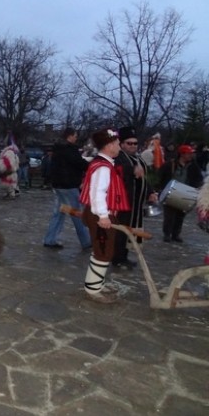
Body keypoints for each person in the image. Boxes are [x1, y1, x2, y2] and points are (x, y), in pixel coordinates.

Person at [78, 128, 130, 304]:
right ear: (108, 146)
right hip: (101, 216)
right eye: (116, 144)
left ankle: (95, 284)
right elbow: (98, 193)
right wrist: (103, 216)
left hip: (101, 214)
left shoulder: (105, 164)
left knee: (102, 251)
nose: (119, 147)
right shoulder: (103, 167)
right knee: (103, 252)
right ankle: (92, 290)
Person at [112, 127, 158, 269]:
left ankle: (123, 256)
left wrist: (150, 191)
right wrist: (131, 170)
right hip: (121, 201)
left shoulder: (136, 159)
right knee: (121, 231)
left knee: (129, 230)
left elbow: (142, 178)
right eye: (129, 143)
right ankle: (117, 259)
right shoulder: (116, 156)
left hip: (135, 202)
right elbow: (115, 170)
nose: (132, 146)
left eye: (135, 143)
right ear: (121, 144)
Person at [43, 127, 91, 249]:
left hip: (58, 185)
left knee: (59, 212)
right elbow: (79, 163)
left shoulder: (58, 149)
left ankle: (50, 239)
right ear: (69, 136)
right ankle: (86, 241)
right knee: (76, 213)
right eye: (75, 135)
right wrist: (91, 165)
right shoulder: (70, 150)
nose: (76, 138)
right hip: (68, 185)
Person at [158, 144, 204, 242]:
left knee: (180, 216)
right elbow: (161, 176)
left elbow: (199, 179)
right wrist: (161, 189)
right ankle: (167, 234)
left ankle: (176, 234)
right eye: (189, 154)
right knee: (169, 216)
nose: (191, 156)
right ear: (182, 154)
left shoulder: (193, 166)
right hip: (171, 192)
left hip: (186, 194)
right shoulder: (170, 164)